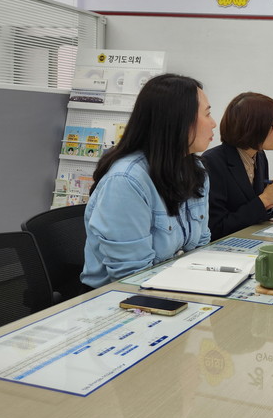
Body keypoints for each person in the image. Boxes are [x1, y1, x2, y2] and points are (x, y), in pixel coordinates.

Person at [81, 74, 215, 288]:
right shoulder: (126, 180)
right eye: (207, 114)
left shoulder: (195, 170)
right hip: (119, 296)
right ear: (178, 120)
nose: (213, 124)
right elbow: (131, 277)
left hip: (173, 285)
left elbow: (200, 247)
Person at [201, 92, 273, 240]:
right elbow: (216, 228)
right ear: (254, 127)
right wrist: (264, 200)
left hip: (250, 240)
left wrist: (271, 200)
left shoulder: (259, 156)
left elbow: (259, 212)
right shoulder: (212, 162)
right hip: (223, 247)